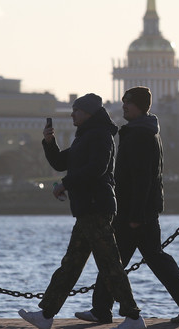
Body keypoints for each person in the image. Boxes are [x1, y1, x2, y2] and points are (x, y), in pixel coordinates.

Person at [75, 87, 179, 324]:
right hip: (139, 209)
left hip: (135, 211)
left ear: (141, 107)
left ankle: (103, 309)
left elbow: (143, 178)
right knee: (130, 258)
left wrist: (135, 214)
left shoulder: (140, 135)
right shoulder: (144, 131)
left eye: (128, 104)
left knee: (116, 259)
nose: (124, 106)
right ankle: (102, 309)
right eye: (123, 102)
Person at [18, 93, 147, 329]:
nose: (72, 114)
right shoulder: (86, 136)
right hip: (87, 210)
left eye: (76, 110)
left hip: (96, 208)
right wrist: (49, 143)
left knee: (110, 265)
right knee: (71, 264)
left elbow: (96, 168)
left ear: (88, 113)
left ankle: (134, 318)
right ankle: (46, 315)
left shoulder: (100, 136)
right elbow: (60, 162)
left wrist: (65, 184)